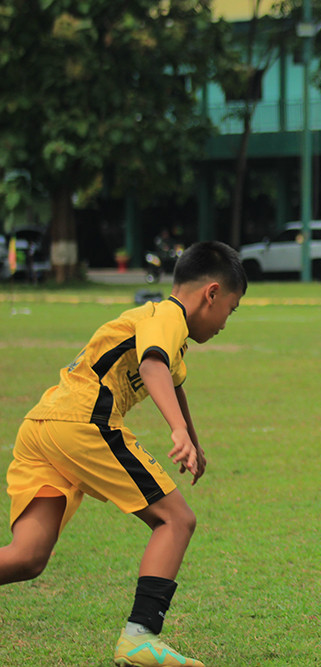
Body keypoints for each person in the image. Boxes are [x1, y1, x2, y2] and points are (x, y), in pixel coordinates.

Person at [1, 241, 247, 667]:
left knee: (27, 557)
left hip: (41, 426)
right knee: (177, 519)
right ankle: (139, 637)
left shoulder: (165, 327)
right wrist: (176, 430)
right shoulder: (167, 315)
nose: (227, 321)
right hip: (83, 422)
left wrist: (192, 436)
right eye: (232, 307)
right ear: (211, 293)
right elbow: (154, 364)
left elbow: (172, 374)